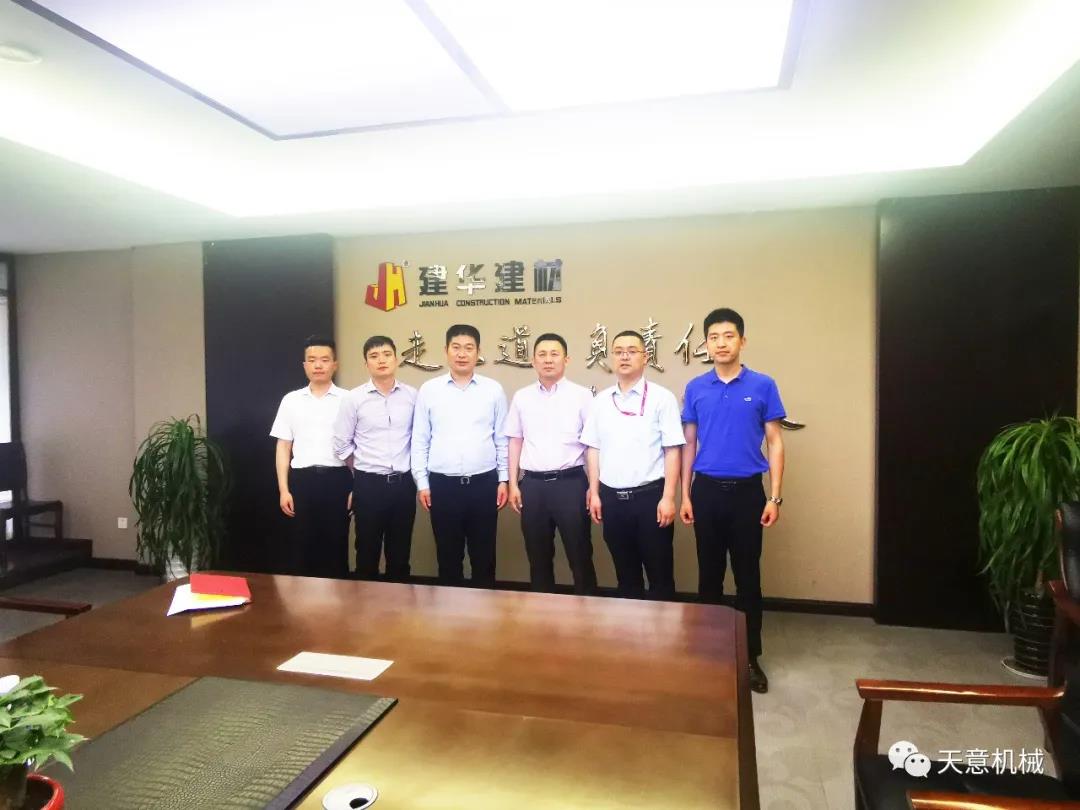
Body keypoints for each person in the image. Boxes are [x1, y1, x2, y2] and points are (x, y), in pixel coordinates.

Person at [680, 307, 785, 694]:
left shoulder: (763, 385)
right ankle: (710, 655)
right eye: (714, 337)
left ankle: (749, 658)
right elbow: (689, 444)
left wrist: (774, 497)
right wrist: (685, 494)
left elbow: (775, 442)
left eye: (728, 336)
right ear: (706, 344)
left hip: (747, 494)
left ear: (742, 340)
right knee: (708, 577)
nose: (721, 343)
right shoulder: (696, 388)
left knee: (748, 579)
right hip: (706, 491)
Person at [581, 330, 684, 599]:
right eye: (618, 352)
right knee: (626, 577)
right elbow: (593, 448)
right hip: (612, 500)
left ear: (645, 357)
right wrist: (594, 492)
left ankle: (664, 627)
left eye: (631, 351)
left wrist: (669, 497)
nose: (624, 356)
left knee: (660, 575)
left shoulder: (662, 398)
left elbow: (673, 450)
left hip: (650, 499)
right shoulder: (601, 401)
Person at [411, 324, 509, 587]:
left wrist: (503, 480)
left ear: (478, 352)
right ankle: (449, 611)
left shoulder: (493, 390)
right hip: (443, 486)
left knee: (484, 557)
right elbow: (420, 439)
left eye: (468, 348)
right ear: (446, 350)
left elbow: (501, 438)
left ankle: (485, 608)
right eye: (456, 347)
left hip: (484, 484)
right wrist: (422, 483)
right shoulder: (429, 390)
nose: (462, 354)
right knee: (448, 557)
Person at [506, 333, 596, 594]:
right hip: (532, 486)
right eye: (542, 355)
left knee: (580, 555)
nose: (548, 360)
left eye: (554, 354)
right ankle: (542, 613)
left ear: (566, 359)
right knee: (538, 558)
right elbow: (515, 441)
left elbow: (593, 446)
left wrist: (594, 488)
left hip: (571, 484)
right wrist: (513, 484)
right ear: (533, 361)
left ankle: (587, 610)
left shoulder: (582, 396)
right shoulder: (522, 397)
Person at [333, 335, 417, 582]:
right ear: (366, 363)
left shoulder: (413, 396)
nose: (381, 360)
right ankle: (365, 605)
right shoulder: (353, 399)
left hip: (403, 485)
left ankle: (400, 604)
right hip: (368, 485)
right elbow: (341, 443)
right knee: (367, 553)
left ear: (396, 359)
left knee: (400, 555)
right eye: (374, 356)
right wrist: (359, 470)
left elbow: (420, 438)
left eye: (387, 354)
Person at [269, 334, 351, 578]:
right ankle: (302, 602)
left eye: (324, 360)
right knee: (302, 547)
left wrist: (355, 487)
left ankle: (338, 601)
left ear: (335, 364)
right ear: (304, 365)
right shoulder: (291, 400)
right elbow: (283, 446)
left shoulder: (348, 400)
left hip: (338, 480)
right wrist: (284, 490)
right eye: (312, 360)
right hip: (302, 482)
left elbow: (358, 447)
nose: (318, 365)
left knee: (336, 548)